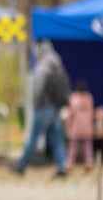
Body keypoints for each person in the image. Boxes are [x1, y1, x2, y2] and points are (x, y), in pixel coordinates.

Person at [12, 40, 70, 177]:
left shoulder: (42, 68)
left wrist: (35, 106)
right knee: (57, 140)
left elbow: (37, 90)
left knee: (33, 137)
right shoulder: (58, 65)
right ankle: (62, 167)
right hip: (56, 109)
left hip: (43, 108)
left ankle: (21, 165)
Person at [64, 79, 95, 171]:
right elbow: (91, 112)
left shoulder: (74, 98)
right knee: (87, 145)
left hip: (76, 127)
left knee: (73, 145)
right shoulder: (89, 98)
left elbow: (70, 114)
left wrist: (68, 126)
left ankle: (70, 162)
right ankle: (89, 162)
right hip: (87, 127)